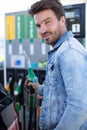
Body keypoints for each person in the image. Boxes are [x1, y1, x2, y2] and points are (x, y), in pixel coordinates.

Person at [25, 0, 87, 129]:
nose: (42, 30)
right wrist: (38, 87)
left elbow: (79, 106)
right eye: (38, 25)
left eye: (48, 22)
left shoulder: (69, 52)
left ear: (62, 21)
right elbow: (59, 91)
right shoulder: (60, 51)